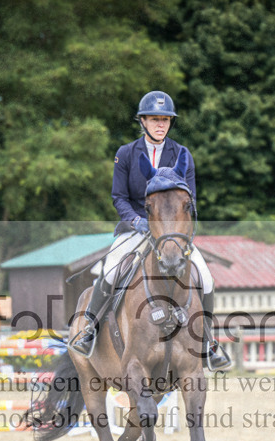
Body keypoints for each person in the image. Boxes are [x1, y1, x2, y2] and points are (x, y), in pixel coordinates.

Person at [68, 90, 232, 371]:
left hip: (171, 233)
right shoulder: (126, 154)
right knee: (109, 270)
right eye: (155, 119)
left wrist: (173, 227)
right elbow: (118, 197)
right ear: (142, 121)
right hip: (135, 229)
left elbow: (188, 199)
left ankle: (207, 342)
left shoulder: (182, 154)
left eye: (166, 120)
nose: (161, 124)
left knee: (206, 278)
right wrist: (137, 221)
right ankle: (89, 332)